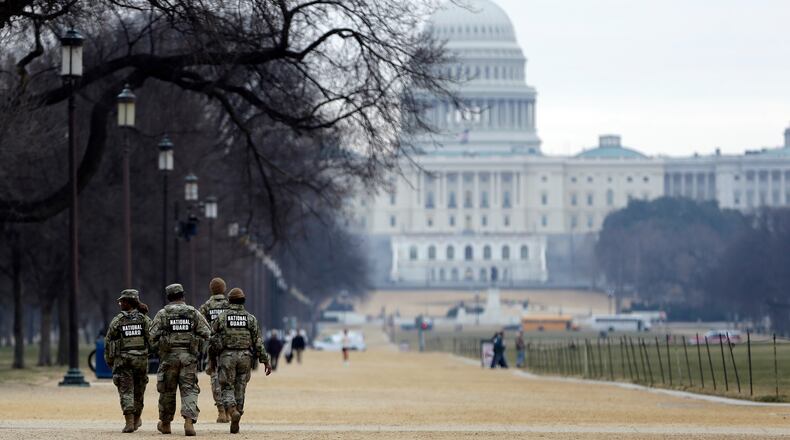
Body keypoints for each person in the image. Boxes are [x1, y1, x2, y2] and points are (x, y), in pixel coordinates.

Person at [149, 283, 211, 436]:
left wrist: (159, 347)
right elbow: (208, 334)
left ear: (169, 297)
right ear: (183, 295)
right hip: (188, 358)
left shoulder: (162, 314)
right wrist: (197, 345)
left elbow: (151, 336)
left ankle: (165, 424)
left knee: (167, 391)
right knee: (189, 389)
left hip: (168, 358)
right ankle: (189, 423)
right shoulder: (193, 313)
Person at [211, 288, 272, 434]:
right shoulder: (250, 319)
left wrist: (212, 358)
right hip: (245, 356)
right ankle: (238, 410)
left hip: (227, 356)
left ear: (229, 301)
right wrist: (266, 361)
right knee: (241, 386)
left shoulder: (222, 318)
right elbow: (258, 343)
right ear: (243, 301)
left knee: (226, 386)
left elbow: (212, 338)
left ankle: (232, 411)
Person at [105, 289, 150, 433]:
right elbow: (153, 338)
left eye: (122, 301)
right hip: (141, 361)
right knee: (139, 391)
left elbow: (108, 341)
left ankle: (130, 421)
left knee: (126, 391)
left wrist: (109, 360)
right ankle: (136, 419)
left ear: (128, 302)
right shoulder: (145, 320)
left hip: (123, 361)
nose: (120, 304)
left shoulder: (118, 320)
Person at [197, 277, 230, 423]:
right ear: (224, 289)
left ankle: (221, 411)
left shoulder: (206, 307)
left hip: (212, 347)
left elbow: (199, 325)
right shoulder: (230, 305)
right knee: (230, 377)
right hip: (230, 346)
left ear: (212, 289)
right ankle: (230, 409)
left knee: (215, 378)